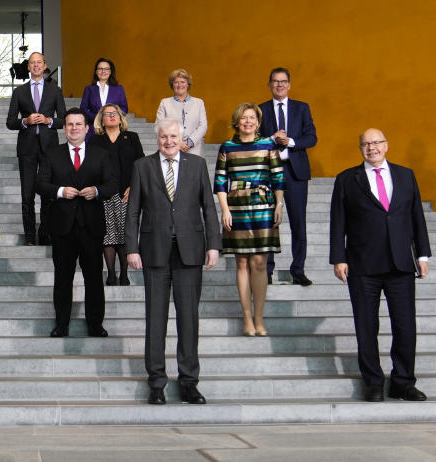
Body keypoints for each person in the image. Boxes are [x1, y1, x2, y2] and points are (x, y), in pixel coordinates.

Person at [330, 128, 431, 402]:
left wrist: (422, 255)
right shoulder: (347, 179)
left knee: (405, 326)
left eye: (376, 142)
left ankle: (403, 382)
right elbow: (338, 222)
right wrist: (338, 258)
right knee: (366, 326)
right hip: (363, 265)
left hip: (400, 264)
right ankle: (373, 383)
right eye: (365, 144)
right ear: (360, 148)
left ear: (386, 145)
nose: (371, 148)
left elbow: (416, 218)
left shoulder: (405, 175)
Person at [126, 118, 221, 405]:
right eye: (164, 136)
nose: (168, 141)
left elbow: (208, 206)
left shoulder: (197, 165)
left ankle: (189, 382)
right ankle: (156, 383)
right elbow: (132, 212)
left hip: (190, 252)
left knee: (189, 320)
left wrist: (214, 245)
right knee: (155, 320)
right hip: (154, 252)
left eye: (173, 136)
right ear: (157, 138)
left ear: (181, 138)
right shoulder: (142, 167)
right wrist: (132, 248)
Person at [36, 109, 116, 338]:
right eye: (69, 124)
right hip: (62, 227)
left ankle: (95, 324)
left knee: (94, 278)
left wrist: (97, 190)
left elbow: (112, 184)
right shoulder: (53, 154)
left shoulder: (100, 154)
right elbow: (40, 184)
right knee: (62, 278)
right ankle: (61, 324)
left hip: (91, 226)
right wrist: (60, 191)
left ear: (87, 127)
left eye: (78, 124)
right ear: (64, 128)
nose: (74, 128)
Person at [214, 103, 285, 337]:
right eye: (243, 118)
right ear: (237, 121)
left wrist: (279, 205)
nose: (248, 121)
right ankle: (246, 318)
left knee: (259, 262)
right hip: (236, 207)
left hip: (264, 206)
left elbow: (277, 177)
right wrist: (225, 210)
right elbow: (220, 182)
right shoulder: (227, 147)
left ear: (258, 121)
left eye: (252, 118)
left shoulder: (268, 145)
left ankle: (259, 317)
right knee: (242, 262)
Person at [259, 67, 318, 287]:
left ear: (289, 84)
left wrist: (290, 141)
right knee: (270, 222)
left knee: (298, 223)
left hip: (295, 173)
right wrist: (271, 139)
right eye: (275, 81)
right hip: (269, 172)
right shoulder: (261, 110)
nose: (279, 85)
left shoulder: (302, 108)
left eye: (283, 81)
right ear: (269, 84)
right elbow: (253, 139)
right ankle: (267, 271)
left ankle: (298, 270)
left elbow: (311, 137)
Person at [6, 51, 66, 246]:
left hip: (50, 148)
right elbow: (10, 122)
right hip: (27, 148)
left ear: (45, 65)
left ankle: (45, 234)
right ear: (29, 67)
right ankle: (30, 237)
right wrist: (25, 120)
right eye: (32, 63)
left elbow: (64, 119)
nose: (36, 65)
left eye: (39, 62)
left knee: (49, 192)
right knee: (27, 195)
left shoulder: (55, 91)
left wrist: (49, 120)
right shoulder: (19, 91)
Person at [89, 103, 144, 286]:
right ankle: (111, 274)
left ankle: (124, 274)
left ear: (120, 118)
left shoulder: (132, 137)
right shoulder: (95, 141)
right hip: (104, 195)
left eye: (115, 114)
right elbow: (91, 168)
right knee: (108, 235)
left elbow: (141, 165)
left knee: (124, 234)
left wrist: (133, 187)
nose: (112, 116)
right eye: (107, 114)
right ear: (102, 120)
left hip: (126, 193)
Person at [155, 69, 207, 156]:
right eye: (176, 82)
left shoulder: (199, 103)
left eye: (183, 82)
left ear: (188, 84)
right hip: (171, 149)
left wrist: (189, 142)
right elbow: (159, 126)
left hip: (194, 151)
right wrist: (178, 143)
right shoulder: (164, 103)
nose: (179, 85)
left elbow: (203, 126)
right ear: (172, 85)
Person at [80, 58, 128, 141]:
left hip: (114, 130)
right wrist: (98, 118)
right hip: (93, 130)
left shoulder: (119, 89)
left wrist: (110, 118)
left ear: (110, 72)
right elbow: (83, 109)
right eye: (100, 69)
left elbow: (124, 108)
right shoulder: (89, 89)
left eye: (106, 69)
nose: (103, 71)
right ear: (96, 71)